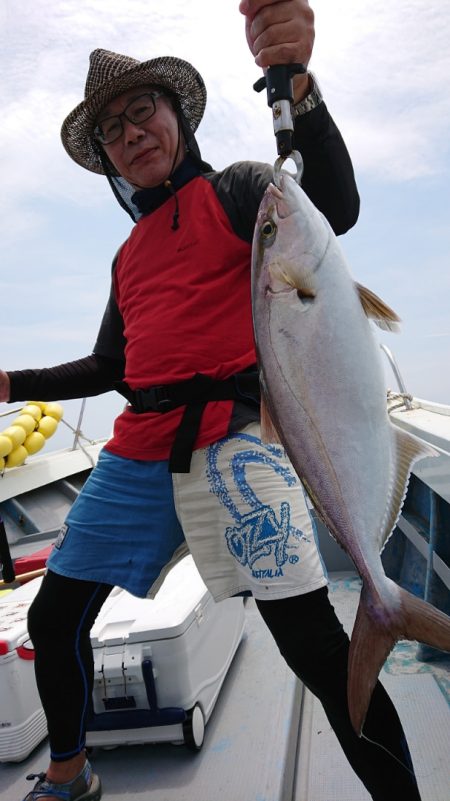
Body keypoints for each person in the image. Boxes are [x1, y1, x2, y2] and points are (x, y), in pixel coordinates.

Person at [0, 1, 423, 800]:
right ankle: (68, 775)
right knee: (55, 619)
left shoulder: (241, 192)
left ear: (176, 120)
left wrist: (297, 80)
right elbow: (109, 363)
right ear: (109, 164)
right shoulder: (127, 256)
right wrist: (14, 384)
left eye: (141, 111)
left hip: (235, 436)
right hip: (135, 449)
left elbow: (333, 202)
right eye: (112, 132)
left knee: (312, 648)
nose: (130, 133)